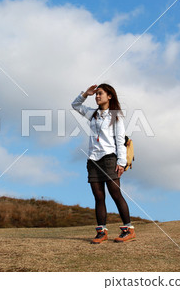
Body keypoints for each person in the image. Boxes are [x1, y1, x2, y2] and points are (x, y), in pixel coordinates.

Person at [71, 84, 135, 244]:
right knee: (98, 197)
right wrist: (85, 93)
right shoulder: (93, 114)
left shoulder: (116, 116)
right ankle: (101, 232)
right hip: (93, 159)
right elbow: (75, 105)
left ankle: (128, 229)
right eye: (96, 94)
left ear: (110, 96)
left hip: (109, 158)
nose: (97, 96)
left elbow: (120, 141)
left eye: (100, 94)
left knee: (115, 194)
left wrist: (121, 162)